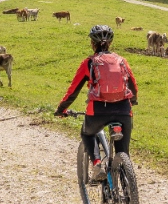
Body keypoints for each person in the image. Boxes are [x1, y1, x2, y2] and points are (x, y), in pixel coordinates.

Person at [55, 25, 138, 181]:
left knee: (87, 133)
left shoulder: (89, 63)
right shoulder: (122, 61)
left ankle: (97, 164)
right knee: (123, 153)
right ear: (110, 43)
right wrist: (132, 101)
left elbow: (73, 91)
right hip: (124, 110)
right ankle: (128, 193)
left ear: (92, 43)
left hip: (98, 111)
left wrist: (61, 108)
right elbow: (133, 85)